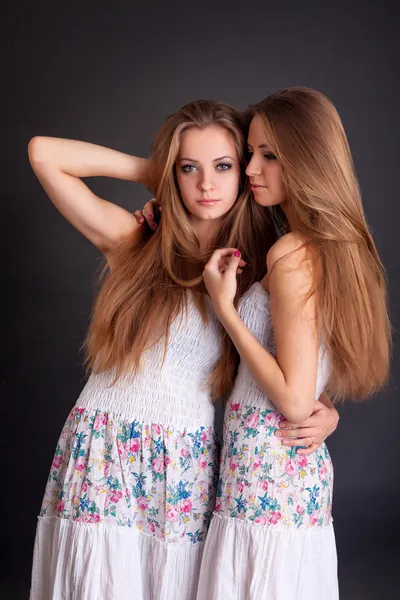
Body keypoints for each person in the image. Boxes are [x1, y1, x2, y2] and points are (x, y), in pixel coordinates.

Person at [28, 98, 338, 600]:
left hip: (188, 463)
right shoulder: (135, 239)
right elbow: (44, 154)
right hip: (107, 449)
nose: (206, 185)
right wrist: (157, 173)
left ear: (245, 172)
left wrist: (327, 412)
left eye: (222, 166)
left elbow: (289, 366)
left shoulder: (259, 268)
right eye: (189, 169)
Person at [197, 87, 391, 600]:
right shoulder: (333, 250)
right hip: (279, 475)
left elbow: (293, 398)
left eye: (270, 155)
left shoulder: (293, 253)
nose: (253, 168)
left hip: (267, 474)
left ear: (306, 158)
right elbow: (308, 372)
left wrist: (225, 309)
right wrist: (326, 407)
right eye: (251, 154)